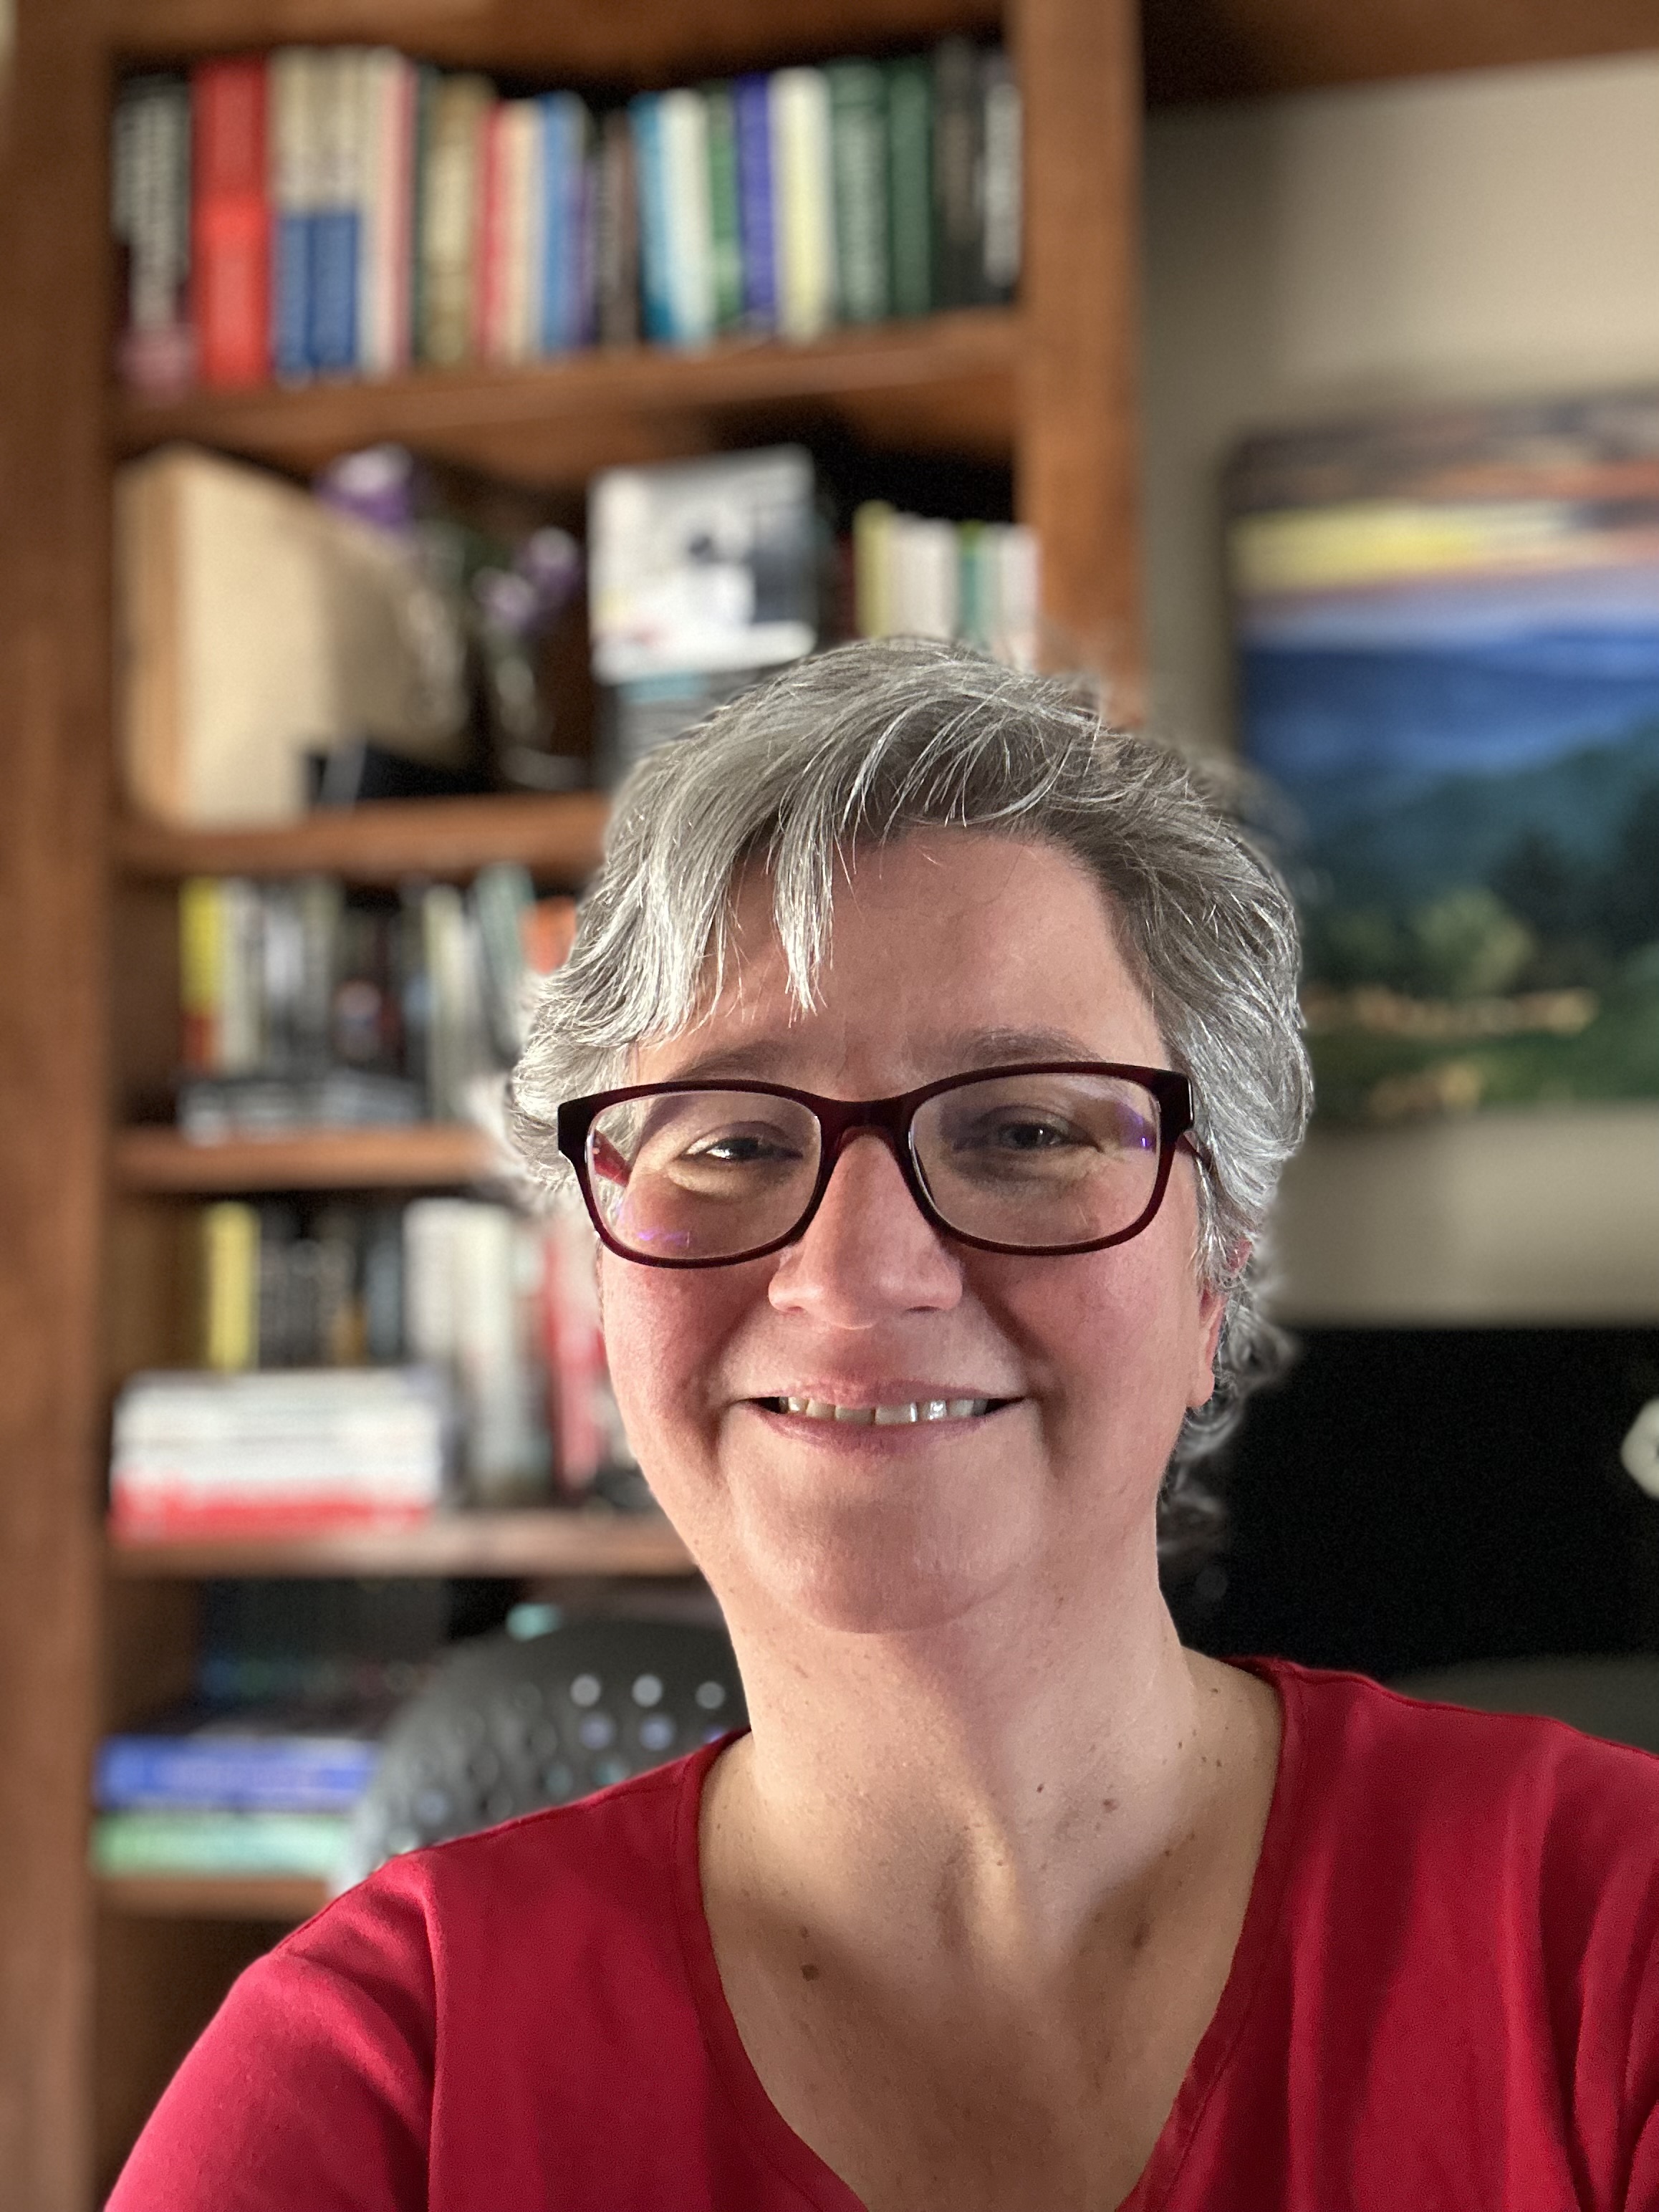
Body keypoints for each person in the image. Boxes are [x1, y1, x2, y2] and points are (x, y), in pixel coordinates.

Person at [112, 639, 1659, 2211]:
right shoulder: (376, 2079)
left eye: (1023, 1129)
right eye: (727, 1139)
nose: (856, 1275)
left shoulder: (1609, 1939)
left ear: (1214, 1276)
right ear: (596, 1283)